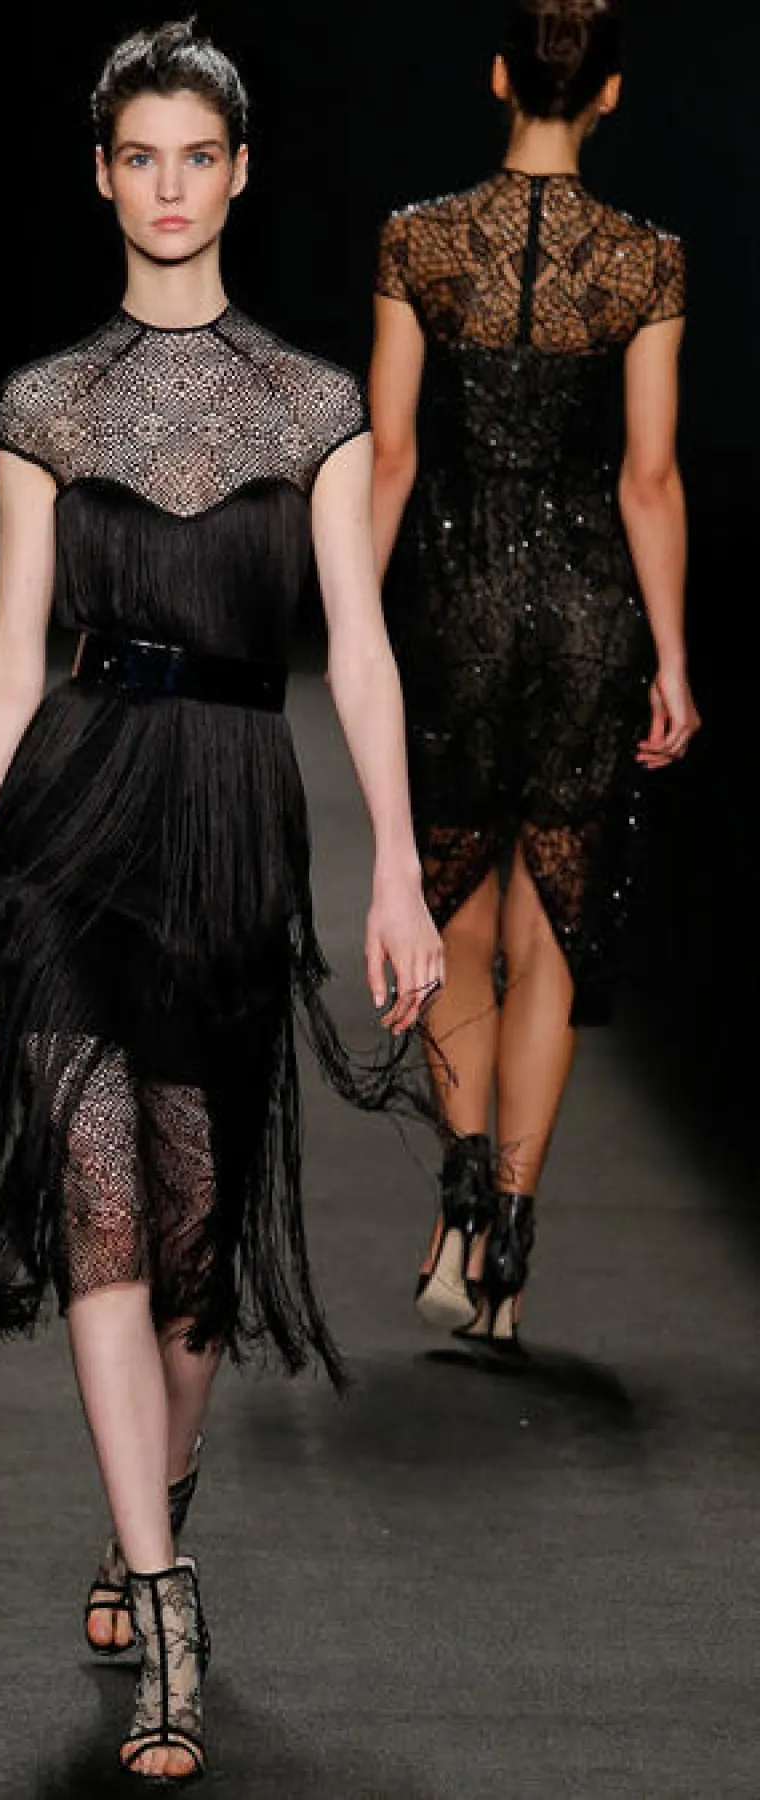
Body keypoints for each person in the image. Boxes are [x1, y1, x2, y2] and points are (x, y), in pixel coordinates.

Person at [0, 18, 443, 1787]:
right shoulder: (46, 406)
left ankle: (163, 1487)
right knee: (101, 1207)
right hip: (74, 817)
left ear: (238, 174)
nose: (166, 186)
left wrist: (399, 871)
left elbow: (358, 656)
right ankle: (166, 1598)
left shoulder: (315, 406)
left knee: (197, 1256)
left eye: (194, 157)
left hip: (228, 817)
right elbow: (9, 662)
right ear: (101, 176)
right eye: (137, 156)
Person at [368, 0, 700, 1357]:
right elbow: (649, 478)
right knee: (548, 924)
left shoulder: (418, 239)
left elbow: (392, 456)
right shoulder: (645, 260)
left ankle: (457, 1196)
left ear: (500, 76)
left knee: (452, 911)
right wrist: (673, 656)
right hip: (584, 614)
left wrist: (348, 626)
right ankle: (509, 1230)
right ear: (609, 93)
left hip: (453, 602)